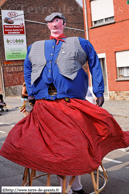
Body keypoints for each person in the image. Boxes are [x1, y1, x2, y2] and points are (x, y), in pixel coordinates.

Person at [0, 12, 129, 194]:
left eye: (58, 22)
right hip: (44, 107)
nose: (55, 25)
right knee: (38, 143)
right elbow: (27, 69)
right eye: (51, 22)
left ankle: (73, 186)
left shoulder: (81, 43)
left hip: (72, 105)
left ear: (64, 24)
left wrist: (99, 90)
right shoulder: (34, 47)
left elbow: (94, 64)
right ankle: (70, 188)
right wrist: (30, 94)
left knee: (92, 131)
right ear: (47, 25)